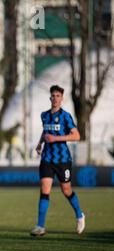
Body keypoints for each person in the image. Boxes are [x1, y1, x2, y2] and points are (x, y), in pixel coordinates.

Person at [31, 85, 85, 236]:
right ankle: (40, 226)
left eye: (58, 96)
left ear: (62, 98)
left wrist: (56, 138)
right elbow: (46, 131)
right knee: (44, 190)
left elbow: (76, 136)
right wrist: (40, 143)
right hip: (47, 158)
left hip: (62, 159)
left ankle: (80, 215)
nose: (55, 98)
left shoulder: (66, 116)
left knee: (66, 190)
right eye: (53, 96)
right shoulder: (44, 115)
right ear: (50, 98)